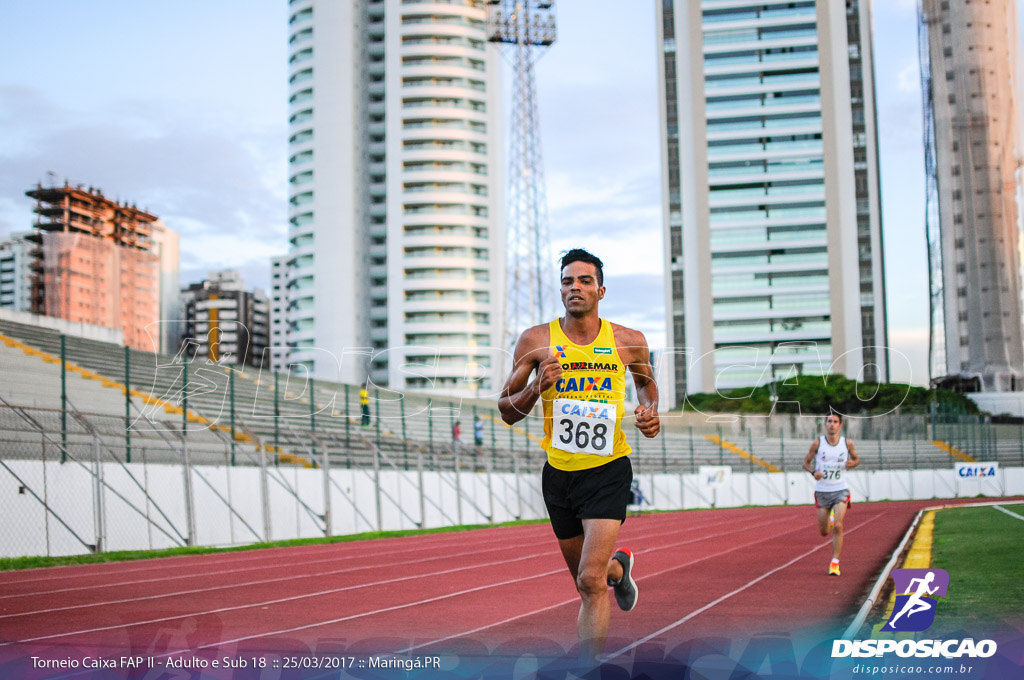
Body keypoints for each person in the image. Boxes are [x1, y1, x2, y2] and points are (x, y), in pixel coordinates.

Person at [498, 248, 660, 665]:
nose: (576, 287)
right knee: (590, 580)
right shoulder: (536, 341)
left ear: (600, 290)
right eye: (568, 281)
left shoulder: (628, 341)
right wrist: (536, 388)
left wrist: (650, 410)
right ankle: (619, 569)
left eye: (585, 280)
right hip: (558, 476)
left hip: (608, 468)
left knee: (590, 582)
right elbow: (505, 411)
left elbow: (645, 385)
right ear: (561, 290)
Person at [802, 412, 860, 575]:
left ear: (840, 425)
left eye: (835, 421)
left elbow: (856, 459)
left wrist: (852, 463)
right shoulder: (818, 443)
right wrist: (814, 472)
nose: (832, 424)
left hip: (840, 489)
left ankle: (835, 562)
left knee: (839, 526)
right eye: (829, 421)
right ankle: (831, 519)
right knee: (824, 531)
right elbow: (805, 463)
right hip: (822, 491)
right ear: (825, 424)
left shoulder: (847, 443)